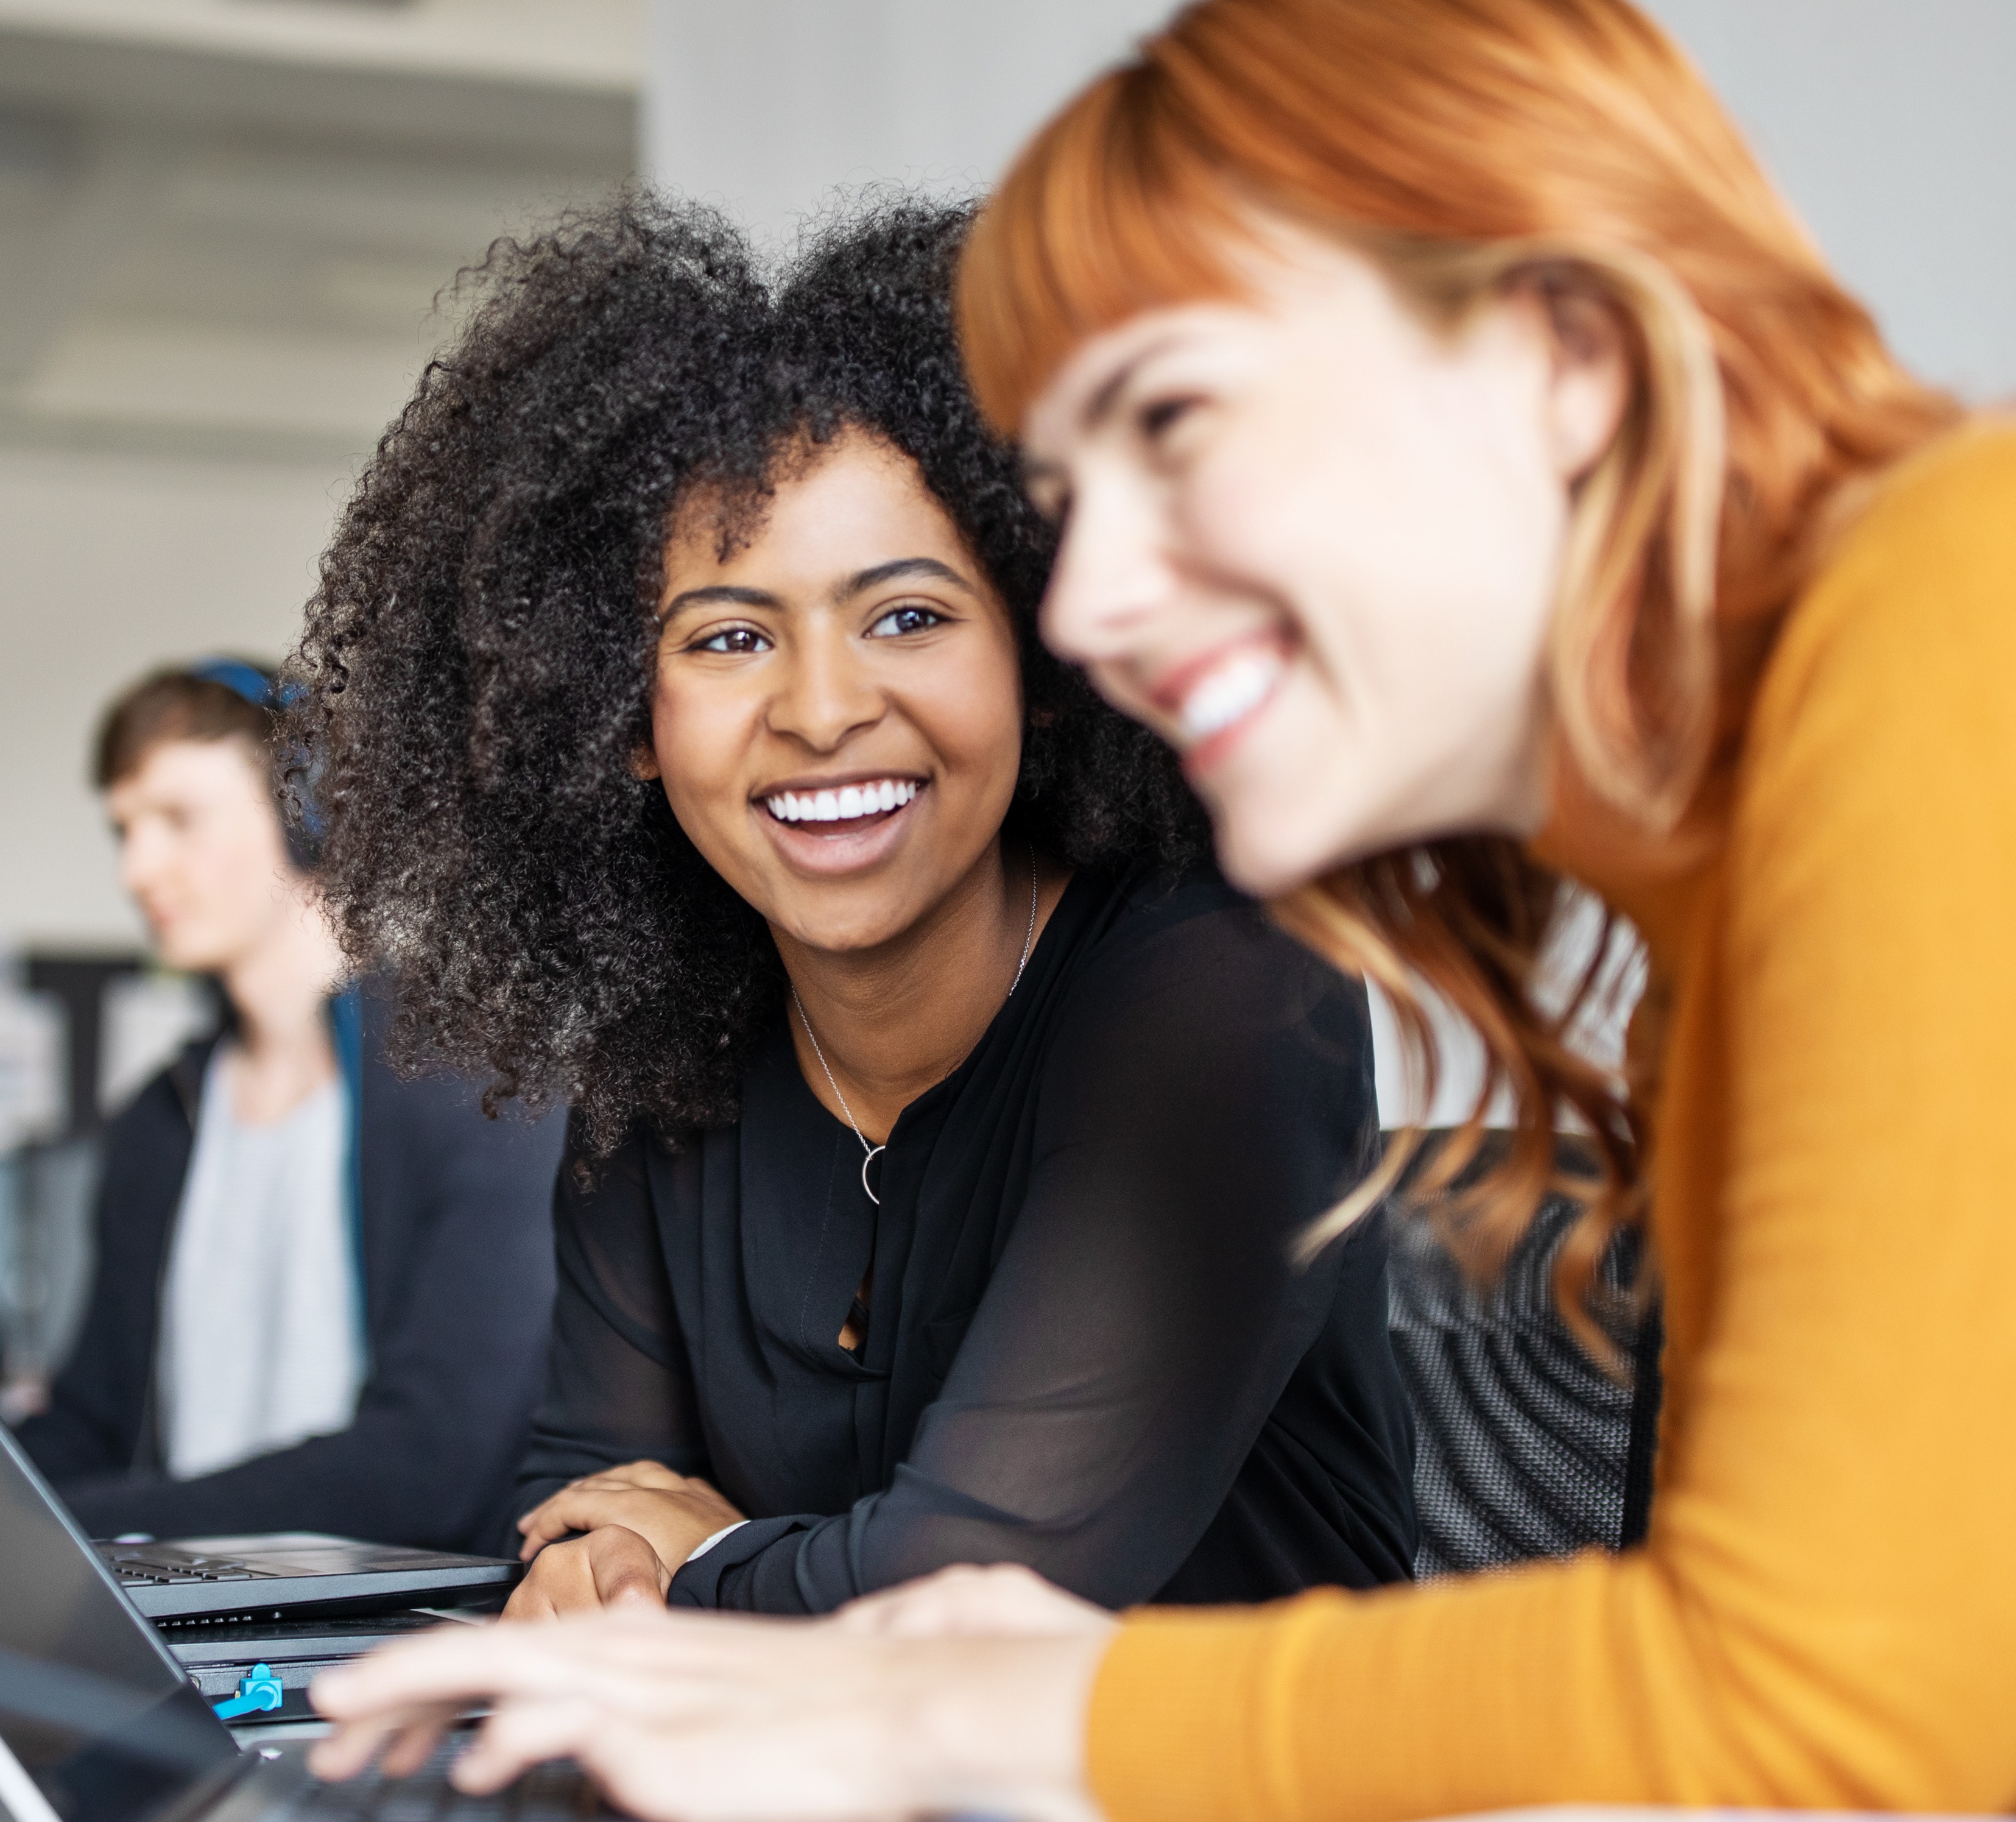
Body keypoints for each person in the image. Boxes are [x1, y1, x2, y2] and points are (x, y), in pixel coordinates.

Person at [308, 1, 2016, 1815]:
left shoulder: (2001, 599)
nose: (1101, 597)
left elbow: (1803, 1710)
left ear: (1560, 355)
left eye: (1170, 428)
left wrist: (918, 1686)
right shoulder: (1752, 859)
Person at [290, 199, 1417, 1620]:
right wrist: (654, 1574)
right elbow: (578, 1537)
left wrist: (695, 1559)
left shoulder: (1227, 995)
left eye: (906, 616)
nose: (822, 710)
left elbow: (972, 1594)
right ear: (623, 718)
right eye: (730, 637)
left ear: (1045, 653)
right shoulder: (664, 1061)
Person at [13, 660, 568, 1555]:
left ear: (308, 813)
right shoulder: (161, 1120)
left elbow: (430, 1468)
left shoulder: (479, 1094)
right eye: (123, 829)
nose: (136, 867)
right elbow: (89, 1426)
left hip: (393, 1636)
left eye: (178, 820)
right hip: (177, 1624)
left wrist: (61, 1528)